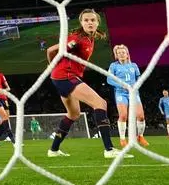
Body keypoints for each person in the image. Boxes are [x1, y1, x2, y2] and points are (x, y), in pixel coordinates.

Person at [44, 10, 122, 158]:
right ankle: (109, 150)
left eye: (92, 20)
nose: (90, 22)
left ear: (98, 22)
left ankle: (53, 150)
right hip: (66, 76)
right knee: (100, 103)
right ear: (81, 23)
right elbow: (51, 50)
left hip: (62, 77)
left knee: (73, 114)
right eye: (86, 20)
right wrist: (52, 66)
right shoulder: (77, 39)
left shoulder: (90, 38)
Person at [107, 45, 149, 147]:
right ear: (116, 55)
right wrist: (122, 85)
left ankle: (140, 136)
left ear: (127, 54)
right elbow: (109, 79)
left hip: (134, 93)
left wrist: (136, 85)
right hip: (121, 93)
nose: (121, 54)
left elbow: (139, 78)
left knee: (141, 117)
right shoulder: (113, 66)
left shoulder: (133, 65)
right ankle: (122, 139)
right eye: (119, 53)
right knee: (123, 115)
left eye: (123, 52)